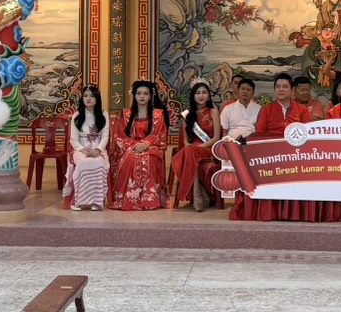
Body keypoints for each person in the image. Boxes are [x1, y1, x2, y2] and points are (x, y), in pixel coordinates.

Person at [109, 80, 169, 211]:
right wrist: (134, 145)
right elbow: (120, 136)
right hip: (131, 148)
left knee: (148, 159)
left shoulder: (158, 115)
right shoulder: (126, 114)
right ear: (134, 95)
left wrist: (146, 144)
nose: (142, 96)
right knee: (131, 159)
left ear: (151, 96)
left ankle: (148, 198)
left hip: (150, 149)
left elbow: (160, 135)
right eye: (139, 93)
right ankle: (128, 197)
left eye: (145, 94)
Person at [171, 81, 221, 210]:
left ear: (208, 96)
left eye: (204, 93)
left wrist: (198, 148)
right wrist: (191, 147)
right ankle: (198, 193)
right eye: (198, 93)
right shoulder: (186, 114)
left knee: (189, 153)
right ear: (193, 96)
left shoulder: (214, 111)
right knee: (189, 153)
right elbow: (185, 141)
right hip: (192, 151)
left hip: (208, 149)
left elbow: (216, 138)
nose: (201, 95)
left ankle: (197, 195)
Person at [64, 85, 110, 211]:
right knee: (84, 162)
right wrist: (84, 151)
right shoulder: (77, 115)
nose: (88, 98)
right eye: (85, 96)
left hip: (98, 149)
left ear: (97, 98)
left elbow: (105, 136)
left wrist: (98, 149)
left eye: (92, 96)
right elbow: (73, 139)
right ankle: (79, 201)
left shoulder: (104, 114)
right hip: (81, 149)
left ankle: (96, 202)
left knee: (98, 163)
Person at [260, 72, 312, 138]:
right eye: (278, 87)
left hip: (295, 142)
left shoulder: (302, 110)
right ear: (274, 90)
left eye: (285, 86)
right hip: (272, 142)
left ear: (292, 90)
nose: (281, 89)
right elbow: (259, 134)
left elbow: (308, 133)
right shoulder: (266, 110)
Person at [220, 76, 260, 140]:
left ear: (253, 93)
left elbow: (261, 131)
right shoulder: (228, 109)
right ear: (238, 91)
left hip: (252, 142)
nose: (245, 92)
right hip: (232, 143)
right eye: (243, 89)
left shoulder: (259, 109)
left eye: (248, 90)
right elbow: (224, 131)